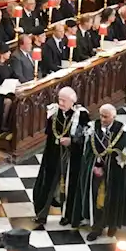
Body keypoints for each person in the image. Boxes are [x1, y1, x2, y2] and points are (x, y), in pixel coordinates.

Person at [72, 104, 126, 241]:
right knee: (96, 199)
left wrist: (105, 167)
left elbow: (122, 154)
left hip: (113, 174)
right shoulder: (94, 127)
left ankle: (112, 224)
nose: (103, 119)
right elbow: (89, 151)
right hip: (95, 172)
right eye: (101, 115)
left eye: (106, 116)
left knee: (111, 198)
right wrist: (94, 166)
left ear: (114, 116)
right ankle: (97, 227)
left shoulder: (121, 131)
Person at [32, 87, 90, 229]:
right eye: (59, 99)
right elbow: (50, 134)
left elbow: (85, 135)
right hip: (54, 154)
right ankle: (41, 214)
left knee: (70, 185)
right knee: (48, 183)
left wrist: (72, 141)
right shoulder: (54, 112)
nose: (61, 103)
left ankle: (67, 215)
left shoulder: (81, 115)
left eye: (64, 100)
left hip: (72, 156)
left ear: (73, 101)